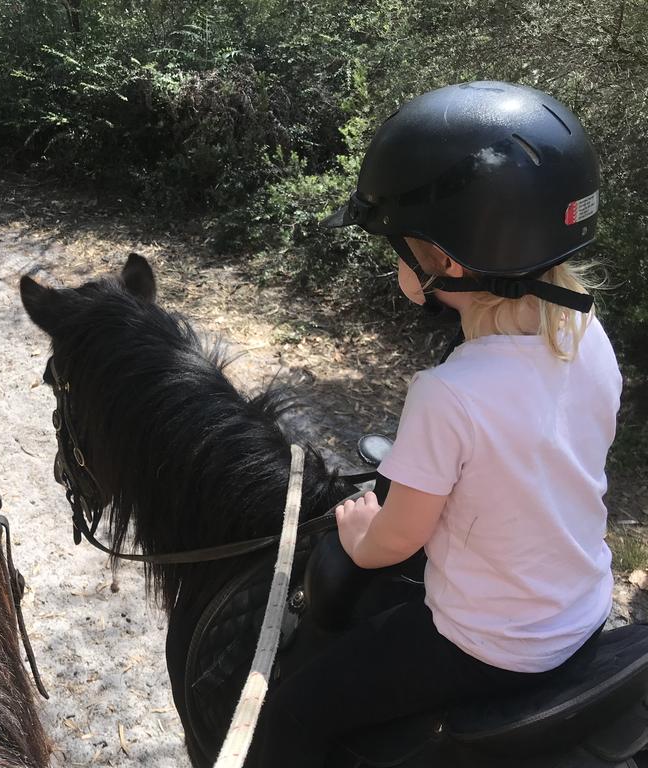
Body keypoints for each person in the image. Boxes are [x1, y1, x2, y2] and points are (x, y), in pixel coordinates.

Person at [255, 81, 622, 765]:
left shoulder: (449, 394)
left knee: (293, 712)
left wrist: (362, 538)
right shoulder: (586, 334)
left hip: (494, 646)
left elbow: (398, 540)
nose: (397, 259)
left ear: (448, 262)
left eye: (402, 246)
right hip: (583, 612)